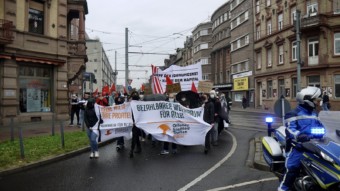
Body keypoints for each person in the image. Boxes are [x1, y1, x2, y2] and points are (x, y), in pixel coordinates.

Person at [278, 86, 324, 191]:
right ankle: (283, 188)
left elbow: (320, 128)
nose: (318, 103)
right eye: (317, 100)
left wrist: (324, 132)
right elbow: (291, 131)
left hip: (313, 146)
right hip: (297, 148)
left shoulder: (314, 114)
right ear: (308, 100)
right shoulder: (292, 114)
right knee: (292, 168)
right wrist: (300, 136)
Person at [129, 91, 142, 158]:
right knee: (136, 136)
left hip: (136, 123)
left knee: (134, 136)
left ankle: (132, 150)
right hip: (135, 122)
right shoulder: (137, 104)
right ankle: (139, 148)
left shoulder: (132, 104)